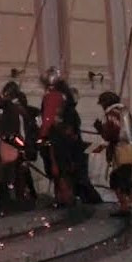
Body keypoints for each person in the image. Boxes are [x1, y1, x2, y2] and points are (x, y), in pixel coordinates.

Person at [94, 91, 132, 220]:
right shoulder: (124, 111)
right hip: (128, 149)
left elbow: (112, 134)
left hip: (121, 150)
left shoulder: (113, 113)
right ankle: (124, 207)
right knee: (117, 181)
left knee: (125, 184)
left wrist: (101, 129)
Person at [38, 67, 85, 206]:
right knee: (65, 167)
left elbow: (48, 119)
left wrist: (42, 136)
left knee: (58, 168)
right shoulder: (65, 95)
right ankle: (66, 196)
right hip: (67, 138)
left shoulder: (53, 96)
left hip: (56, 137)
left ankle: (64, 197)